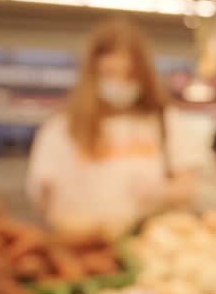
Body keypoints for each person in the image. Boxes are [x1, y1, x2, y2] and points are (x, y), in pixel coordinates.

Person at [26, 18, 193, 236]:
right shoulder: (61, 127)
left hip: (147, 243)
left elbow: (188, 188)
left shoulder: (164, 120)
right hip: (81, 245)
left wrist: (162, 192)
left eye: (129, 74)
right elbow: (42, 198)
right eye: (109, 74)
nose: (120, 83)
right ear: (92, 74)